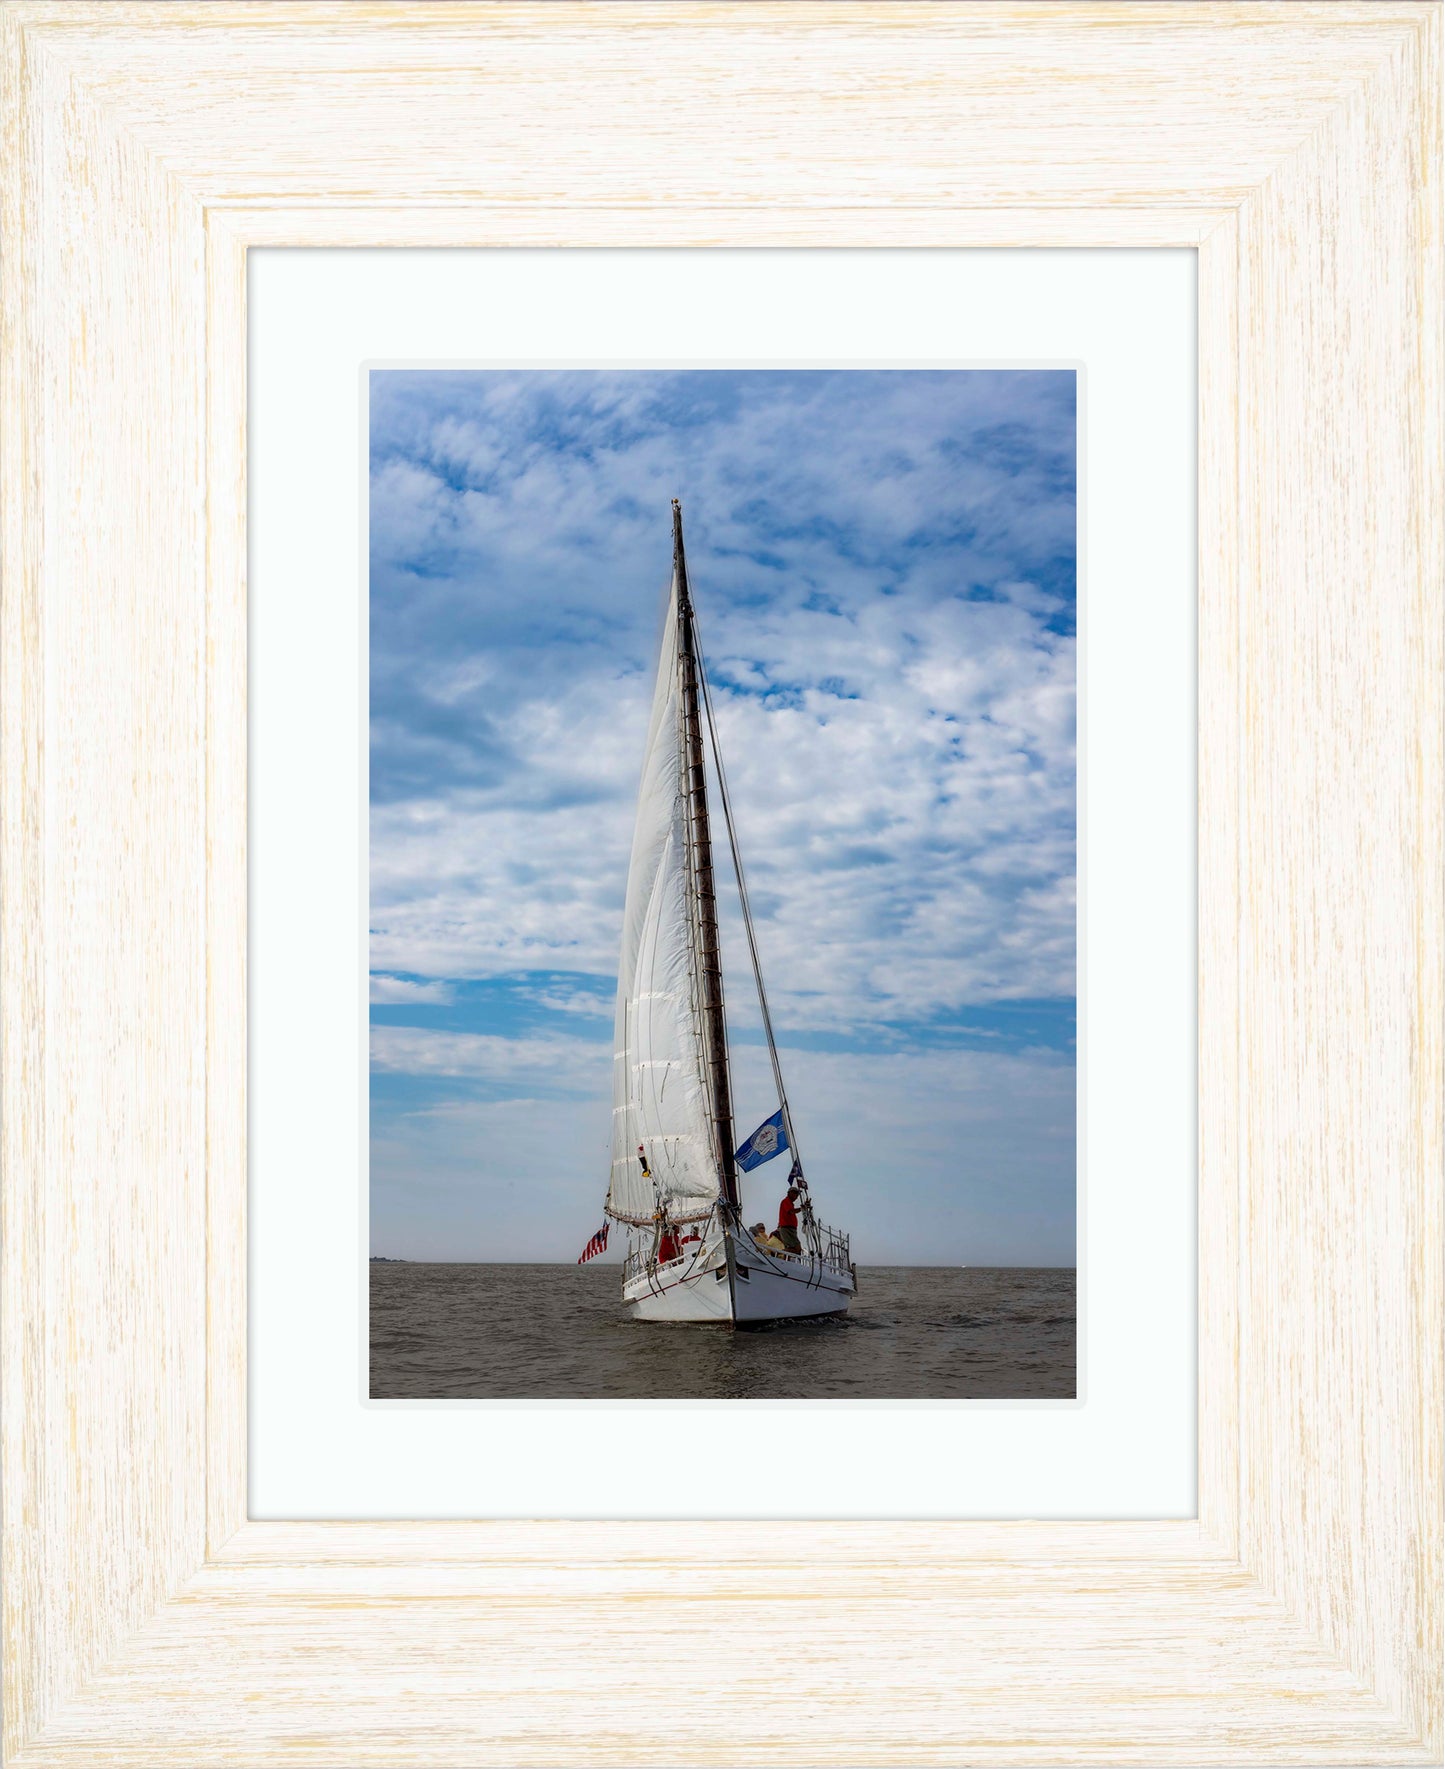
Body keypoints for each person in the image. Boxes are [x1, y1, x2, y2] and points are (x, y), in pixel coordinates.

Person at [777, 1184, 802, 1254]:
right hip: (787, 1229)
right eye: (795, 1193)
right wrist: (802, 1208)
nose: (797, 1196)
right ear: (789, 1193)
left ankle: (783, 1257)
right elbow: (791, 1211)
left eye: (797, 1194)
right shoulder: (786, 1201)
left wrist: (802, 1208)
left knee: (796, 1249)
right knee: (796, 1249)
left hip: (790, 1229)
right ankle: (779, 1255)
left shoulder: (790, 1203)